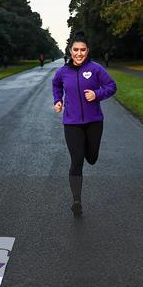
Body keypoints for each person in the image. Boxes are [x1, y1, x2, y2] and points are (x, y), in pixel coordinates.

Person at [52, 31, 116, 218]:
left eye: (82, 50)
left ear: (87, 50)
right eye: (75, 50)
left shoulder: (96, 69)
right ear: (70, 50)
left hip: (94, 122)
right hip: (71, 123)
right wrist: (58, 100)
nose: (79, 53)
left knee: (92, 158)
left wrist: (97, 94)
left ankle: (91, 154)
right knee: (76, 160)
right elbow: (56, 85)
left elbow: (111, 86)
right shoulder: (63, 71)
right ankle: (76, 201)